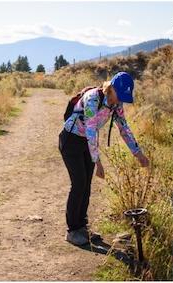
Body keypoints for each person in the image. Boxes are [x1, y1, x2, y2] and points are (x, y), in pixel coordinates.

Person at [58, 72, 150, 246]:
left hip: (85, 143)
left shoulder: (116, 104)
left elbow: (124, 128)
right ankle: (72, 231)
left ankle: (82, 227)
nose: (120, 100)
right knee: (78, 184)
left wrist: (138, 153)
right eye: (119, 95)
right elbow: (91, 132)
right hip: (71, 140)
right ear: (111, 88)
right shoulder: (93, 99)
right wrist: (98, 162)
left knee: (86, 185)